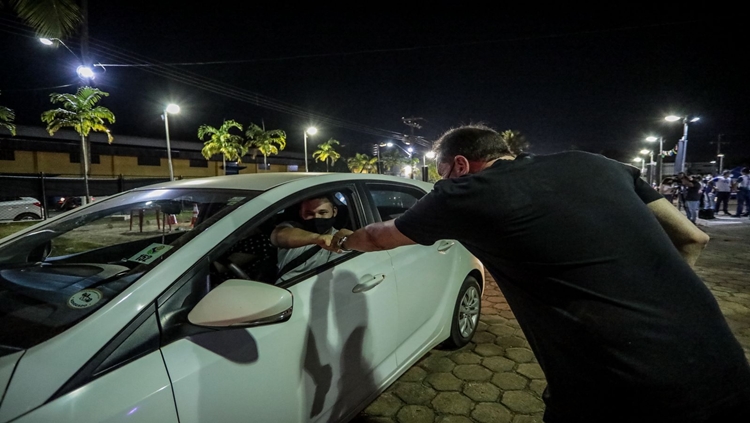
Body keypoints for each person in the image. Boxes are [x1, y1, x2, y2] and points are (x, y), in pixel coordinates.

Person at [333, 124, 750, 422]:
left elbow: (375, 238)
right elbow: (694, 238)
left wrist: (333, 240)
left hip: (622, 387)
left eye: (441, 174)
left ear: (459, 164)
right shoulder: (597, 165)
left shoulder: (467, 193)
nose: (441, 183)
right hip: (724, 366)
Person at [270, 194, 344, 284]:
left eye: (322, 212)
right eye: (309, 214)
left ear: (334, 211)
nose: (317, 217)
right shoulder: (291, 227)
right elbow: (278, 236)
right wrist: (317, 238)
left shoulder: (338, 238)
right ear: (301, 213)